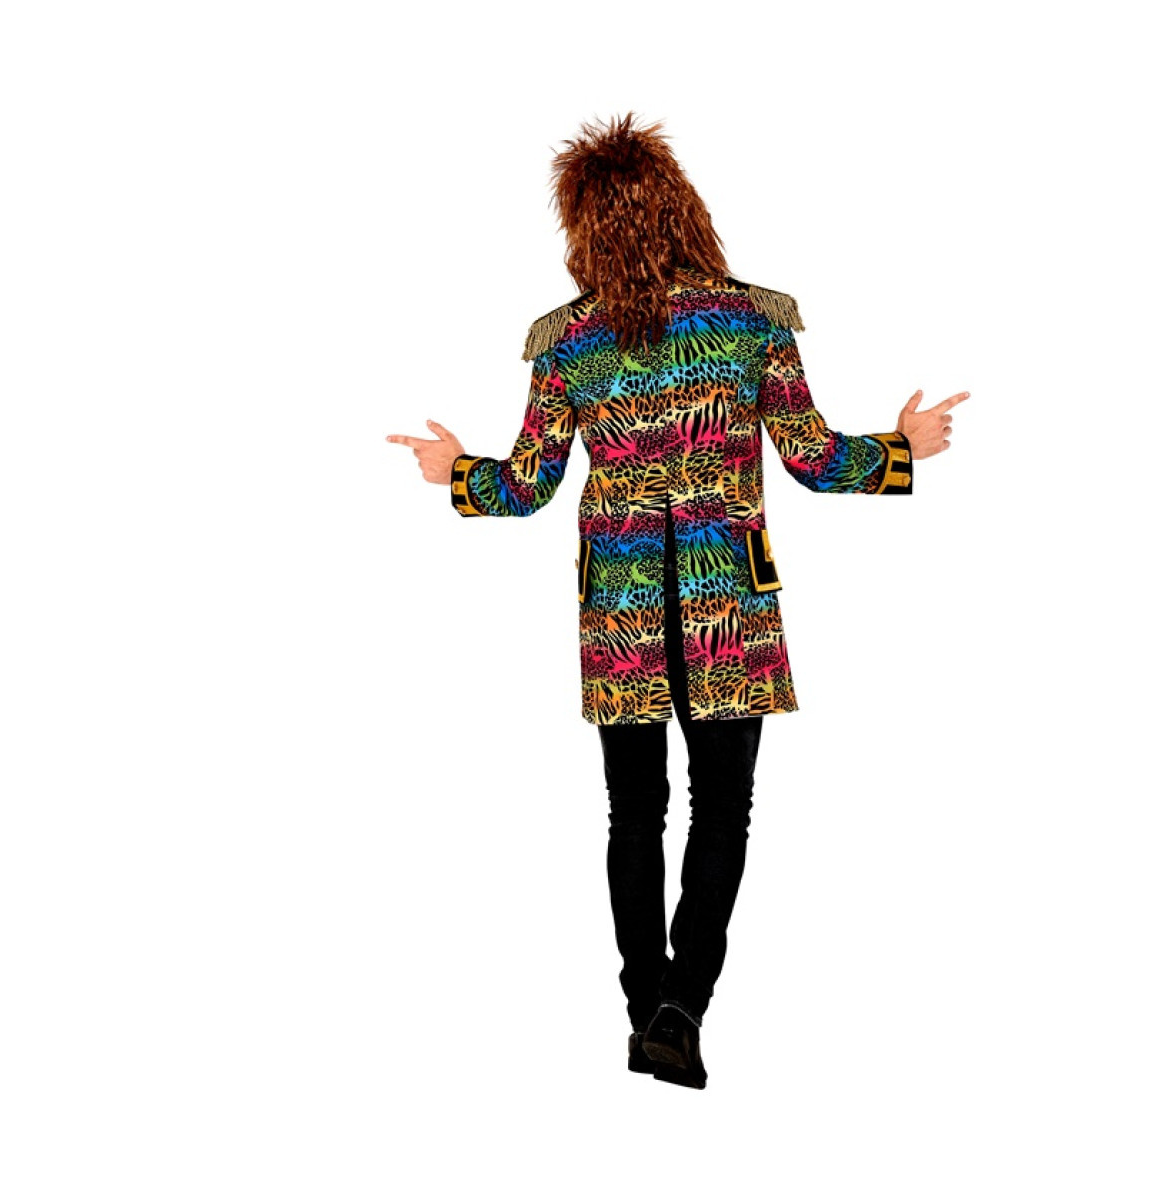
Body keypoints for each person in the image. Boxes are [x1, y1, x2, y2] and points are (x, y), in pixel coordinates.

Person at [387, 113, 966, 1089]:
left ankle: (646, 1008)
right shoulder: (751, 321)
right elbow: (815, 459)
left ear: (585, 225)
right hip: (724, 605)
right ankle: (681, 1010)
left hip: (619, 612)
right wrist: (902, 449)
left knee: (633, 814)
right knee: (722, 810)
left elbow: (526, 487)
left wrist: (456, 474)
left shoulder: (568, 341)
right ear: (680, 208)